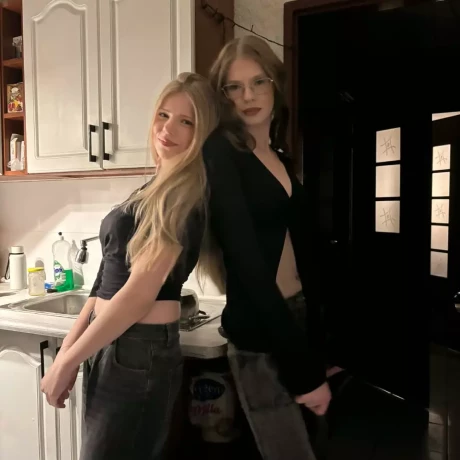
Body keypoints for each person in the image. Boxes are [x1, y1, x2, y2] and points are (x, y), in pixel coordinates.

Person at [40, 72, 219, 460]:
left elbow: (138, 295)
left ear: (201, 132)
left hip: (139, 348)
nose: (167, 129)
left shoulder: (183, 197)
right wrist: (67, 356)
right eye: (163, 115)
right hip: (112, 342)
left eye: (186, 121)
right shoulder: (150, 191)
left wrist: (68, 361)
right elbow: (103, 282)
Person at [197, 35, 341, 459]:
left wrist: (320, 343)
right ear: (223, 96)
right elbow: (248, 264)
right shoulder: (221, 152)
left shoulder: (279, 155)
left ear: (275, 84)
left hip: (297, 318)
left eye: (258, 82)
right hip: (261, 330)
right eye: (235, 87)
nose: (248, 96)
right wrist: (303, 369)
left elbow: (304, 250)